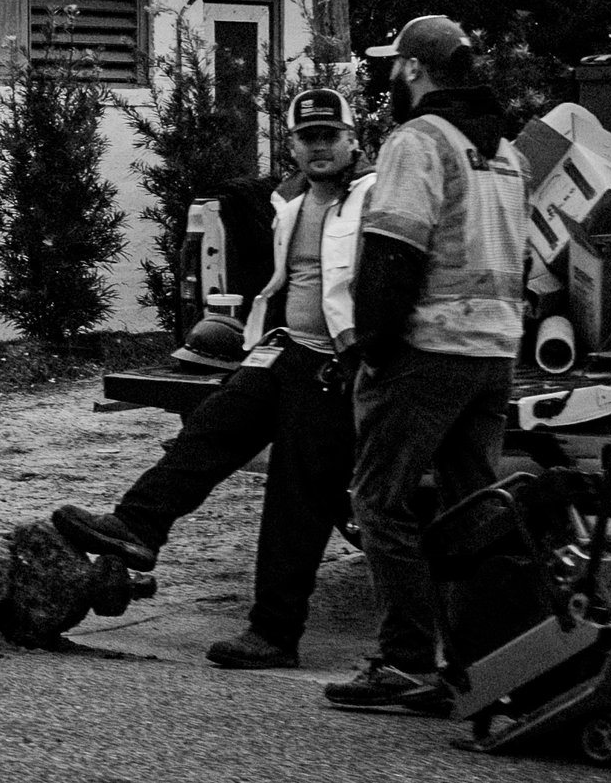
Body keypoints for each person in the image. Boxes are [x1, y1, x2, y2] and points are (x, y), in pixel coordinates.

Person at [53, 88, 372, 669]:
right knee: (208, 430)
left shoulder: (373, 200)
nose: (320, 147)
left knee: (295, 502)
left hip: (336, 366)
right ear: (293, 147)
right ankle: (137, 527)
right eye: (308, 137)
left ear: (354, 140)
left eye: (331, 136)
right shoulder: (291, 205)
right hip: (285, 351)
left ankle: (274, 635)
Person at [323, 14, 532, 716]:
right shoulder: (508, 153)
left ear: (414, 68)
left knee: (381, 501)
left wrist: (371, 347)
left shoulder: (417, 141)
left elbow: (394, 252)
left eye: (393, 67)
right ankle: (483, 664)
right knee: (474, 513)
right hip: (494, 352)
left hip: (426, 351)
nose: (388, 79)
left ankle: (406, 659)